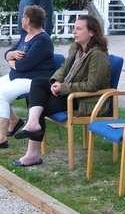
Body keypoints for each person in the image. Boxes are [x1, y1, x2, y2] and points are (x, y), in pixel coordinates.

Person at [12, 14, 110, 167]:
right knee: (37, 83)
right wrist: (55, 81)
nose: (74, 31)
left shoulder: (97, 55)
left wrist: (63, 88)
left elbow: (93, 85)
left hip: (84, 100)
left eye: (79, 29)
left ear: (91, 32)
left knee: (40, 105)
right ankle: (32, 124)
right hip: (70, 93)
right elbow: (64, 68)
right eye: (74, 28)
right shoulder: (77, 48)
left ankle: (32, 154)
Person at [0, 5, 54, 149]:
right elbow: (8, 53)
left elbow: (23, 66)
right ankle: (14, 120)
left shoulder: (42, 40)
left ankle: (0, 139)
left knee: (1, 94)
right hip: (18, 75)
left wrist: (10, 61)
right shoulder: (25, 35)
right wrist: (11, 55)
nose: (21, 19)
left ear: (28, 20)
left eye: (23, 17)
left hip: (33, 80)